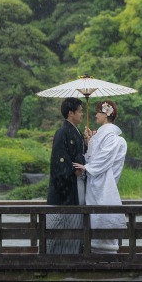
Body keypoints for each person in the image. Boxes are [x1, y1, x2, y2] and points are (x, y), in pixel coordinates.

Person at [73, 99, 127, 254]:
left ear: (106, 114)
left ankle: (103, 250)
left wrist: (87, 167)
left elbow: (105, 157)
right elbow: (94, 155)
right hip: (95, 181)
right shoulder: (103, 134)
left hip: (102, 181)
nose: (96, 115)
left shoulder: (111, 137)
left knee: (101, 212)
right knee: (96, 214)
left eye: (98, 112)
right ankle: (97, 248)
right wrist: (90, 141)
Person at [45, 97, 89, 254]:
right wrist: (73, 170)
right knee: (61, 227)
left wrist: (86, 143)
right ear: (71, 113)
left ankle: (71, 258)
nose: (82, 114)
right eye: (80, 111)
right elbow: (59, 161)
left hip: (76, 186)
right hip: (66, 191)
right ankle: (57, 259)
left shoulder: (76, 132)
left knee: (74, 228)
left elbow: (79, 154)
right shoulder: (62, 132)